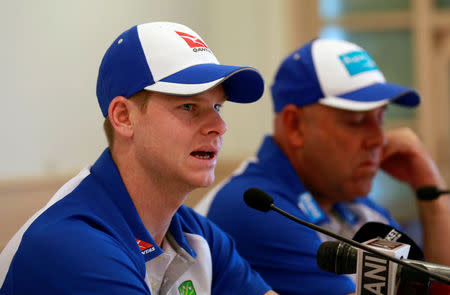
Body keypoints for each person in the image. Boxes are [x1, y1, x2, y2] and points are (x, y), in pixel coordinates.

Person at [0, 22, 278, 295]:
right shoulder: (72, 244)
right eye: (189, 106)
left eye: (217, 106)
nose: (219, 126)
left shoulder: (194, 232)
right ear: (123, 117)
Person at [198, 39, 450, 295]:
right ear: (295, 125)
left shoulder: (349, 201)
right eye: (358, 121)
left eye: (381, 118)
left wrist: (431, 193)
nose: (379, 139)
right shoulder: (257, 207)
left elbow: (433, 288)